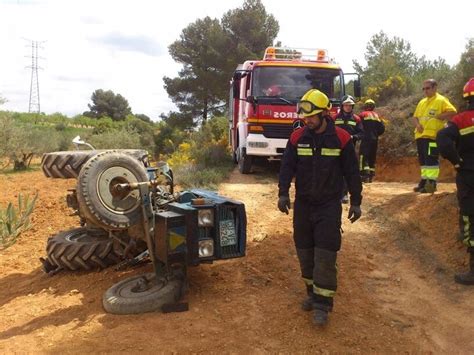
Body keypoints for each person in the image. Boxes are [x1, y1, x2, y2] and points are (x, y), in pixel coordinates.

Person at [277, 89, 363, 326]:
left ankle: (323, 304)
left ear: (325, 113)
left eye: (312, 116)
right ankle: (312, 293)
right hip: (304, 204)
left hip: (328, 205)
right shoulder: (297, 137)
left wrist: (356, 200)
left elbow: (352, 173)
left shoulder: (342, 138)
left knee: (325, 253)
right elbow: (286, 167)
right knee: (305, 251)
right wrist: (283, 193)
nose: (308, 120)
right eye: (305, 117)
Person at [436, 77, 474, 285]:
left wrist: (457, 161)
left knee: (470, 218)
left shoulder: (460, 120)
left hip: (469, 176)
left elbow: (442, 138)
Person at [412, 79, 457, 193]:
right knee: (423, 161)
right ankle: (424, 181)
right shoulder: (422, 102)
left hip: (432, 137)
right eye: (424, 88)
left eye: (428, 88)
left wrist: (441, 116)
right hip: (420, 136)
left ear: (434, 87)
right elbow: (415, 117)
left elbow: (453, 112)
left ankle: (431, 184)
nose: (425, 91)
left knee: (431, 160)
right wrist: (417, 125)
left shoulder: (441, 100)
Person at [334, 95, 364, 202]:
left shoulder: (357, 119)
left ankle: (344, 194)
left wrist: (353, 137)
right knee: (335, 171)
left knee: (347, 172)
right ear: (342, 106)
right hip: (335, 149)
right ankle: (334, 193)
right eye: (346, 105)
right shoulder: (335, 118)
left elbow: (361, 133)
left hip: (349, 149)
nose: (348, 107)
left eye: (350, 105)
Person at [359, 99, 385, 182]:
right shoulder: (377, 116)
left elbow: (358, 125)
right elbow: (382, 128)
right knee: (372, 157)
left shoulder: (362, 114)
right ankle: (371, 176)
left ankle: (364, 175)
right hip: (374, 140)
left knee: (363, 156)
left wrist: (360, 135)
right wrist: (376, 135)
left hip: (365, 139)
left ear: (365, 106)